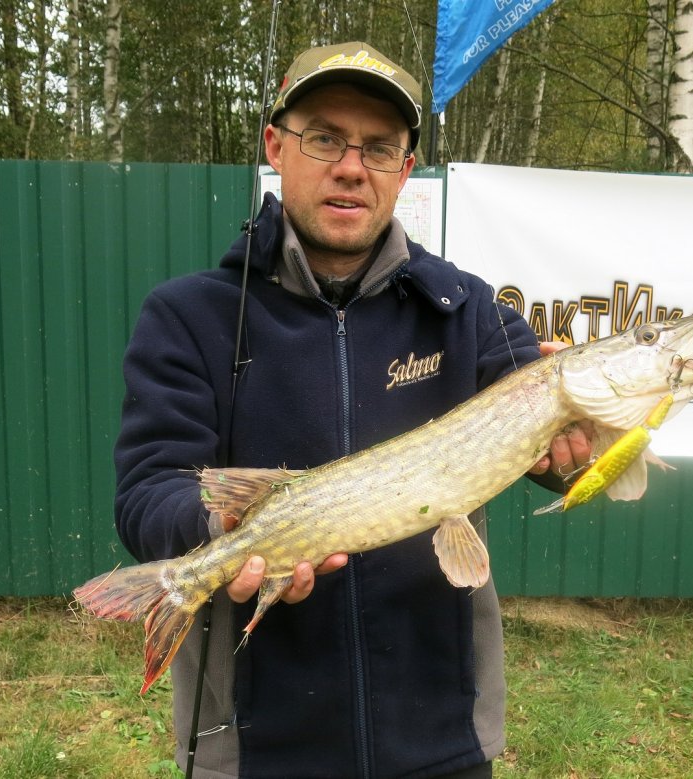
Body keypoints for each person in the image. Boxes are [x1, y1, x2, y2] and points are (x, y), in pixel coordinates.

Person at [114, 41, 589, 778]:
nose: (350, 166)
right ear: (276, 145)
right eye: (325, 137)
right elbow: (147, 492)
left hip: (442, 738)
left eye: (379, 147)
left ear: (404, 169)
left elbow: (557, 467)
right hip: (256, 747)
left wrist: (589, 441)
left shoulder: (470, 312)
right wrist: (223, 529)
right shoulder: (188, 316)